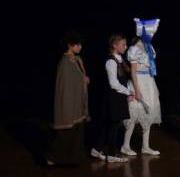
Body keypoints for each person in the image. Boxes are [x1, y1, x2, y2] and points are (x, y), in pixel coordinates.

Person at [49, 30, 89, 166]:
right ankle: (53, 157)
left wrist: (83, 79)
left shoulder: (76, 59)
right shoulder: (65, 61)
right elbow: (64, 85)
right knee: (66, 131)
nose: (80, 47)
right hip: (68, 101)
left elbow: (77, 78)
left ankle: (72, 159)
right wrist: (81, 80)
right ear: (70, 45)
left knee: (76, 131)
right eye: (77, 45)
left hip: (76, 102)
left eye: (80, 44)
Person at [122, 18, 161, 156]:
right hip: (138, 81)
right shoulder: (134, 48)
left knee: (149, 113)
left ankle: (145, 146)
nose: (151, 35)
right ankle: (125, 145)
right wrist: (137, 90)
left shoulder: (149, 47)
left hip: (149, 81)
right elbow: (133, 71)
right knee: (134, 113)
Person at [93, 34, 131, 162]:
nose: (125, 47)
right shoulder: (111, 61)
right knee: (113, 126)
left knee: (109, 125)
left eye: (126, 44)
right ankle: (112, 154)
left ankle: (97, 149)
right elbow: (113, 83)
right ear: (114, 45)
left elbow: (123, 78)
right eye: (123, 44)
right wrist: (128, 92)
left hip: (118, 97)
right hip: (113, 98)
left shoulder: (120, 60)